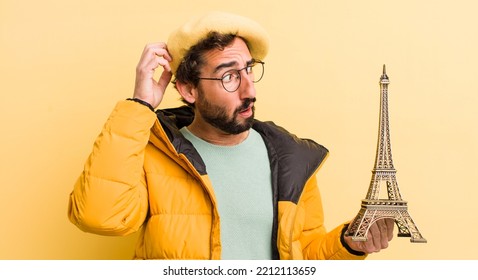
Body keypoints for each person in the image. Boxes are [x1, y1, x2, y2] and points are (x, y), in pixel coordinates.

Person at [68, 11, 394, 260]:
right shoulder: (153, 154)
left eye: (249, 69)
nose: (249, 89)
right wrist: (140, 106)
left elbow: (305, 256)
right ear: (188, 89)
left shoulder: (294, 159)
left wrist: (348, 243)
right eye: (229, 76)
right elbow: (99, 216)